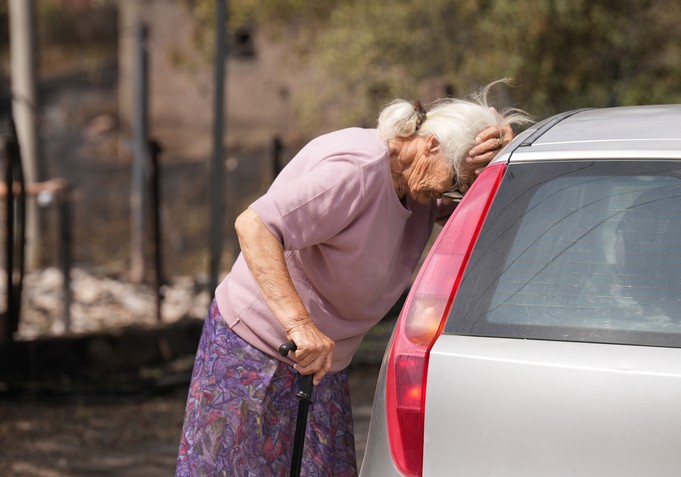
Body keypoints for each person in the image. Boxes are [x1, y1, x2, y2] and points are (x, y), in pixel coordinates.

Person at [176, 81, 532, 476]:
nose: (453, 192)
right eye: (455, 179)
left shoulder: (420, 187)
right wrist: (299, 325)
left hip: (321, 361)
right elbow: (255, 225)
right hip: (254, 350)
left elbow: (479, 209)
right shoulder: (356, 171)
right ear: (430, 144)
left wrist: (506, 149)